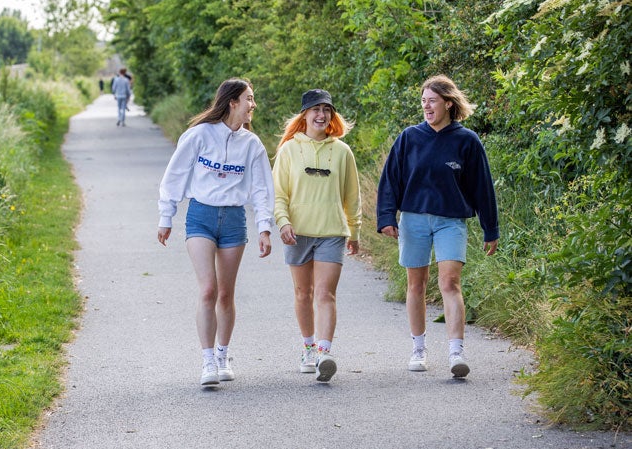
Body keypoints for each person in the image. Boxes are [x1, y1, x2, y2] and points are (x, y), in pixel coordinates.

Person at [376, 74, 499, 378]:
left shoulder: (466, 141)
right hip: (413, 219)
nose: (426, 106)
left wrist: (490, 228)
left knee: (450, 282)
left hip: (450, 221)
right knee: (415, 284)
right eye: (423, 101)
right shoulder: (409, 137)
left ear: (448, 103)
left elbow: (483, 187)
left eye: (432, 101)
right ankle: (418, 349)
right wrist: (386, 217)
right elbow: (390, 179)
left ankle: (456, 352)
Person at [157, 78, 274, 387]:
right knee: (208, 289)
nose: (253, 105)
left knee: (226, 293)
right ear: (232, 101)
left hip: (234, 219)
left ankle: (223, 354)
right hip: (201, 216)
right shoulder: (198, 135)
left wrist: (264, 227)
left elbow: (262, 189)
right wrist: (166, 216)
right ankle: (207, 359)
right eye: (249, 98)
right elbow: (175, 176)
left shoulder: (252, 145)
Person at [273, 89, 361, 382]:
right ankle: (308, 347)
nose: (321, 115)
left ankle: (325, 352)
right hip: (297, 233)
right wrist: (283, 222)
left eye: (326, 110)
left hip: (332, 231)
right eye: (315, 110)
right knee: (303, 293)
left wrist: (354, 230)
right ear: (305, 115)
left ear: (332, 115)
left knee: (326, 293)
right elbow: (279, 194)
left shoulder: (342, 152)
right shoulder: (288, 150)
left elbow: (352, 195)